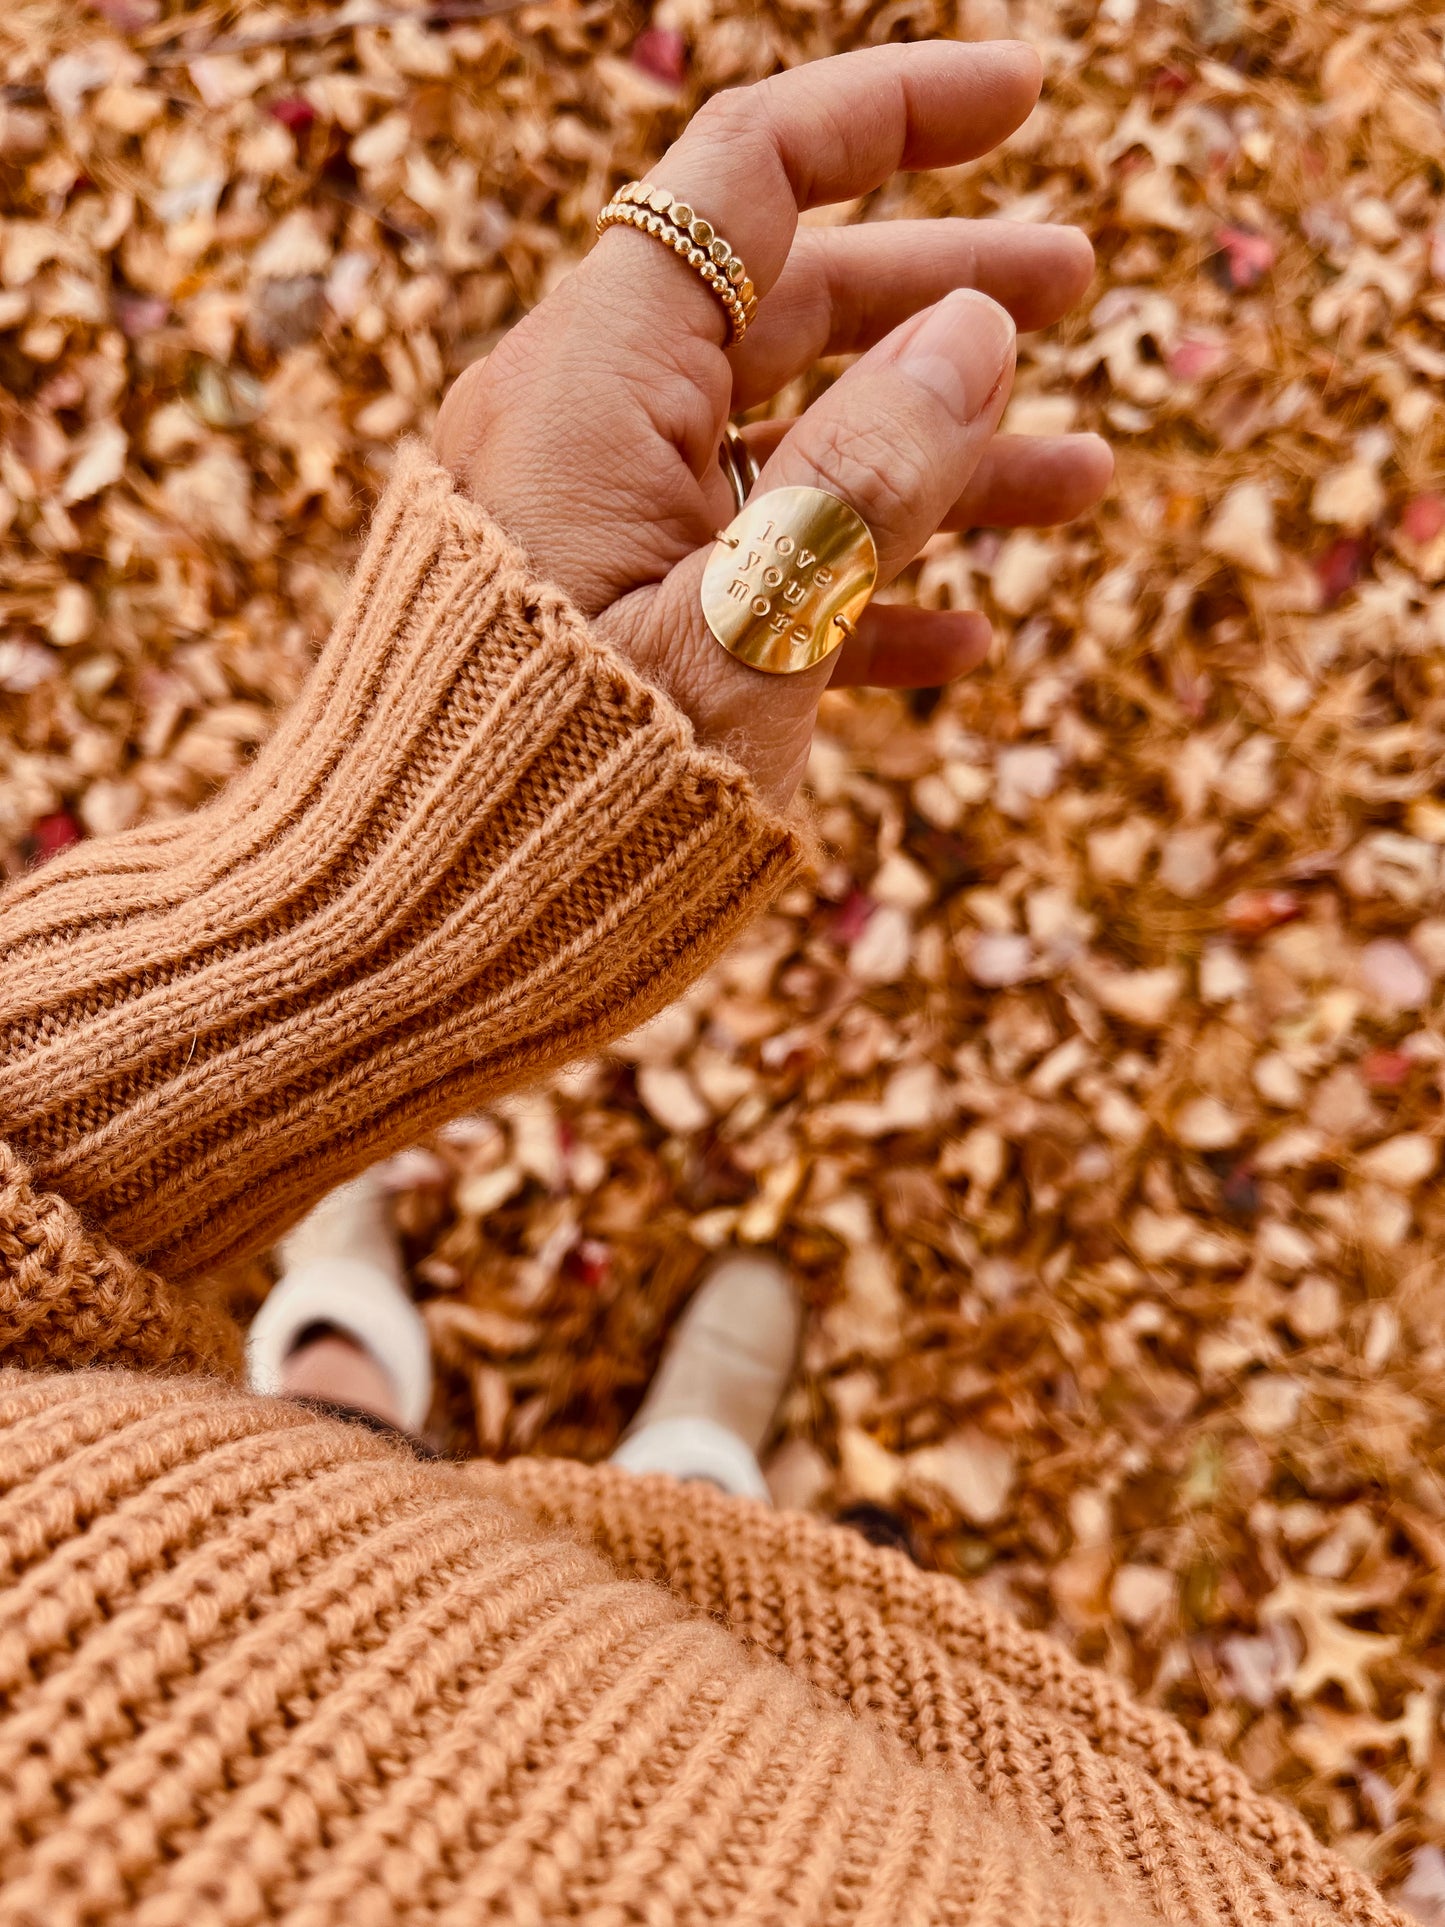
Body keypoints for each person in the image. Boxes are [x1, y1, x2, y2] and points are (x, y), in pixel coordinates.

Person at [0, 37, 1402, 1927]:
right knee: (690, 1590)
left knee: (359, 1457)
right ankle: (695, 1486)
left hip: (166, 1530)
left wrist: (326, 924)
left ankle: (353, 1379)